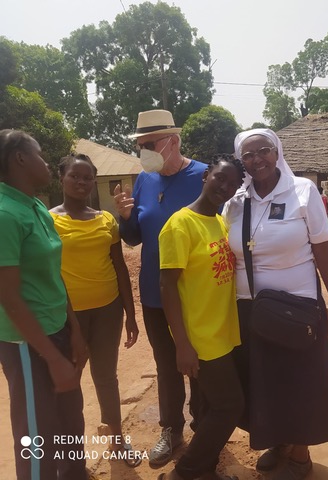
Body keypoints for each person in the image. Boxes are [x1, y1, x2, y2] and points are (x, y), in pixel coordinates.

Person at [222, 128, 328, 480]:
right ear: (241, 161)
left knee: (298, 381)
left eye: (264, 150)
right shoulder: (236, 202)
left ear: (277, 152)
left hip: (297, 308)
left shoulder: (302, 192)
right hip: (250, 309)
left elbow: (323, 249)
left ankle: (300, 455)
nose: (257, 159)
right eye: (248, 155)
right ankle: (279, 441)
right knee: (264, 382)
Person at [113, 109, 206, 467]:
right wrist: (125, 219)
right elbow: (136, 238)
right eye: (140, 146)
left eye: (149, 144)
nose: (143, 151)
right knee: (166, 364)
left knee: (198, 362)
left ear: (173, 141)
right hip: (154, 293)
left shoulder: (203, 177)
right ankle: (172, 430)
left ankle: (202, 427)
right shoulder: (144, 180)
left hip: (195, 292)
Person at [0, 129, 89, 480]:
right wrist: (52, 358)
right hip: (27, 344)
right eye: (39, 154)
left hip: (59, 330)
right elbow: (8, 296)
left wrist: (75, 331)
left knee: (70, 419)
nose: (47, 161)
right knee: (37, 434)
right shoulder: (5, 214)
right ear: (20, 159)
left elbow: (54, 274)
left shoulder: (35, 205)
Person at [49, 153, 141, 467]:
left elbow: (119, 267)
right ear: (61, 177)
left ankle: (116, 440)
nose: (82, 182)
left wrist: (130, 314)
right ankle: (73, 456)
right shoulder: (49, 220)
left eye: (88, 177)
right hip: (66, 315)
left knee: (106, 376)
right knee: (69, 380)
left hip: (108, 309)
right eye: (75, 176)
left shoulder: (106, 220)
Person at [158, 155, 245, 480]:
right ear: (206, 175)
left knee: (210, 407)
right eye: (220, 178)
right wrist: (182, 344)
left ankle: (204, 470)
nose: (225, 187)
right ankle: (185, 472)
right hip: (200, 337)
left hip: (222, 332)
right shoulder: (180, 225)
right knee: (229, 406)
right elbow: (167, 286)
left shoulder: (220, 222)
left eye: (233, 184)